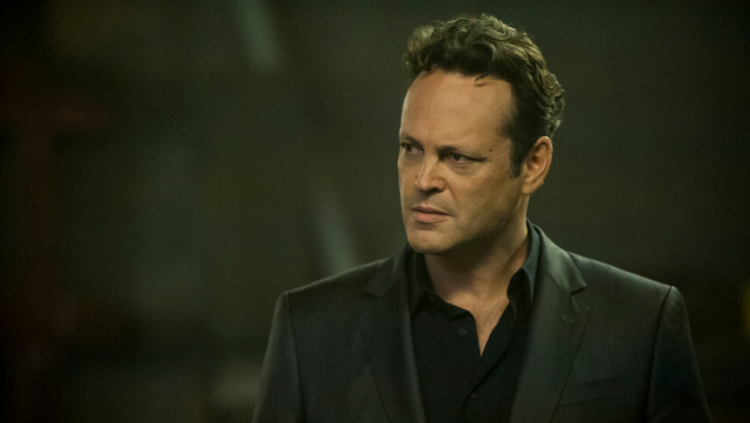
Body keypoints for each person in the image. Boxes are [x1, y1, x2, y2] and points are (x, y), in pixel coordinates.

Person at [253, 14, 711, 423]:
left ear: (533, 165)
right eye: (411, 149)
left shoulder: (641, 324)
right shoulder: (309, 330)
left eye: (457, 157)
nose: (423, 179)